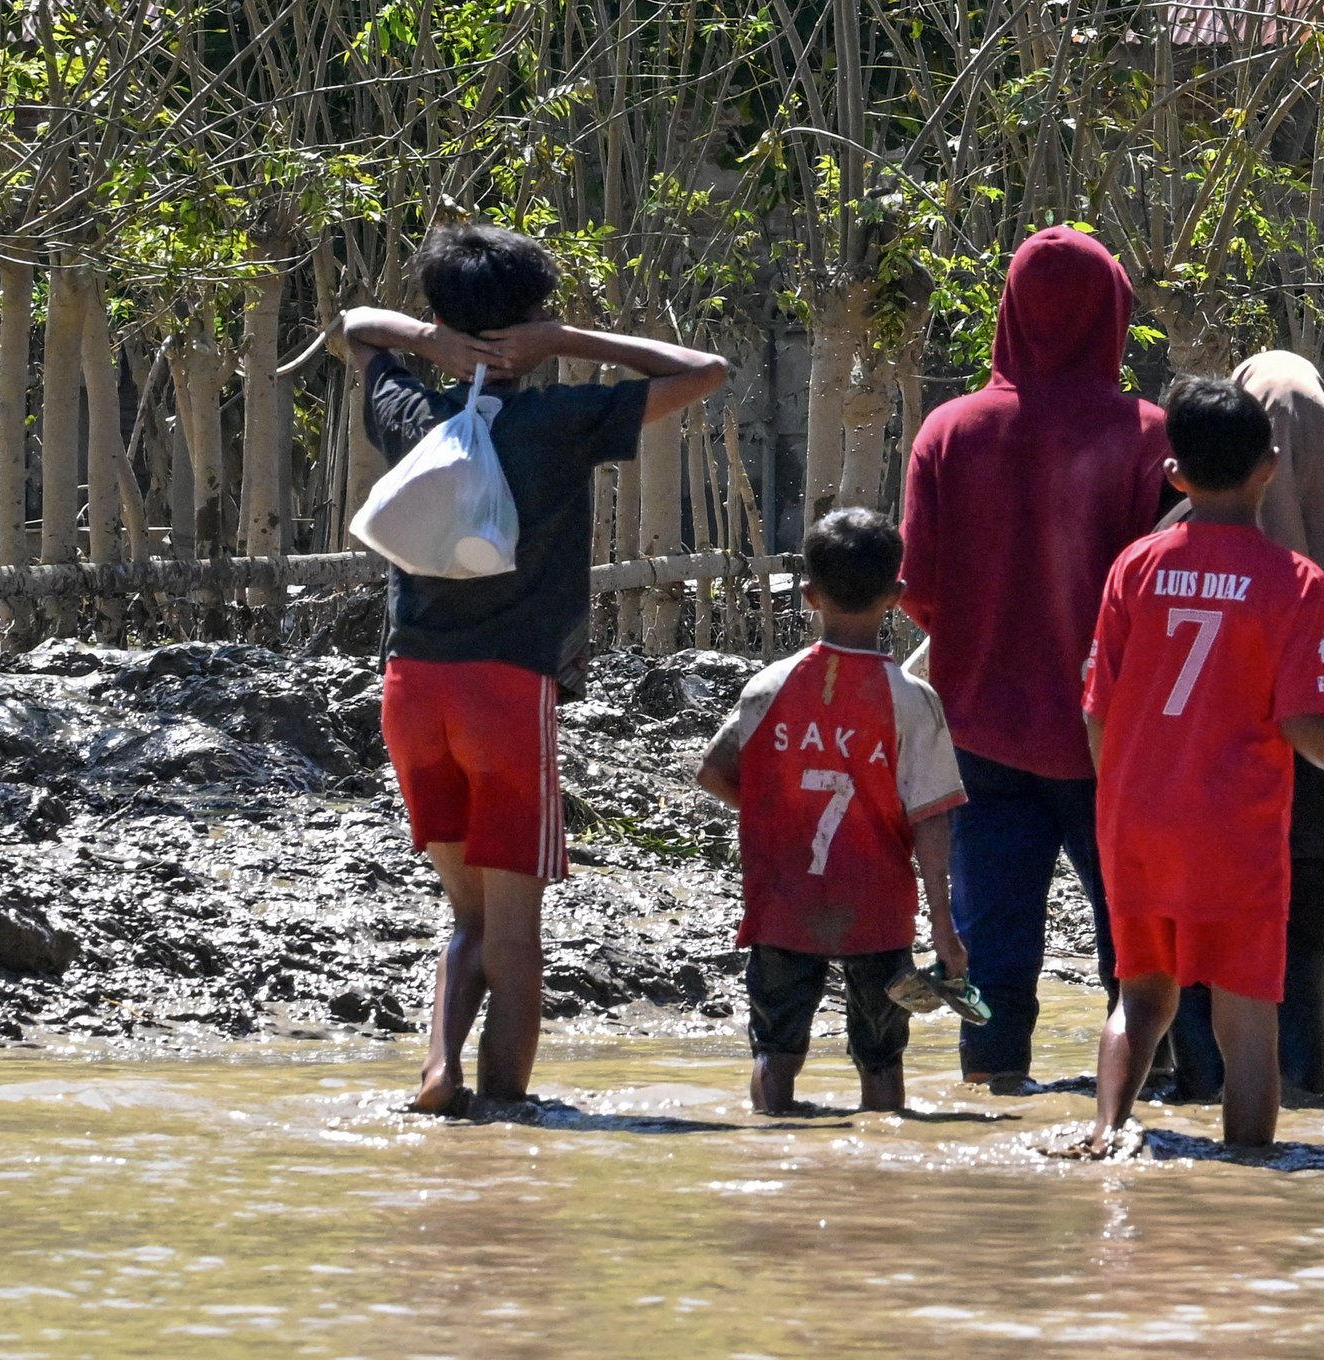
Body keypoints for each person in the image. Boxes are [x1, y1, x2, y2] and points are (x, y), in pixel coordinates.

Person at [339, 222, 729, 1112]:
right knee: (516, 928)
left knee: (466, 914)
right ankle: (508, 1109)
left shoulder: (410, 411)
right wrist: (566, 339)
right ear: (533, 318)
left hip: (412, 687)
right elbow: (703, 370)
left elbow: (355, 326)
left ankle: (439, 1070)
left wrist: (426, 341)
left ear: (441, 314)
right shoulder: (561, 420)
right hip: (507, 693)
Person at [1072, 376, 1324, 1155]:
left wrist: (1119, 799)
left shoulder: (1133, 568)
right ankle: (1248, 1173)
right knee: (1247, 1015)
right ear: (1270, 464)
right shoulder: (1296, 584)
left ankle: (1103, 1135)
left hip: (1136, 821)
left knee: (1140, 998)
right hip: (1236, 831)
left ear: (1173, 475)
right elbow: (1303, 722)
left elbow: (1097, 709)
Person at [898, 226, 1170, 1093]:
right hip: (1110, 739)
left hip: (979, 732)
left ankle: (992, 1093)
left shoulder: (950, 431)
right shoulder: (1148, 437)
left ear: (1009, 310)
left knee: (992, 944)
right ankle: (1145, 1108)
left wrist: (986, 636)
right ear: (1114, 316)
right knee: (1133, 941)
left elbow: (917, 588)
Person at [1157, 350, 1324, 1109]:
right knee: (1297, 987)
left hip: (1216, 811)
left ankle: (1210, 1154)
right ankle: (1294, 1147)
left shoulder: (1171, 552)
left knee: (1197, 983)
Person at [696, 509, 968, 1115]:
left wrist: (773, 818)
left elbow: (712, 771)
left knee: (775, 1050)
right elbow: (930, 820)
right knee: (881, 1059)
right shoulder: (911, 701)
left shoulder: (768, 686)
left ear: (809, 595)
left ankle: (770, 1146)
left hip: (785, 901)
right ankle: (879, 1174)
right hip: (876, 908)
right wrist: (946, 931)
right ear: (897, 597)